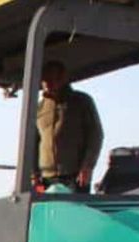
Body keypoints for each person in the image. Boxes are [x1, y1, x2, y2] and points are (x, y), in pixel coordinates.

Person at [37, 60, 104, 193]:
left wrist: (87, 166)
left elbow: (96, 135)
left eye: (52, 78)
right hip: (45, 178)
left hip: (75, 175)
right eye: (45, 79)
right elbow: (33, 142)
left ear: (63, 78)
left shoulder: (81, 101)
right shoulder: (40, 107)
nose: (47, 83)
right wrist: (33, 174)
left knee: (75, 206)